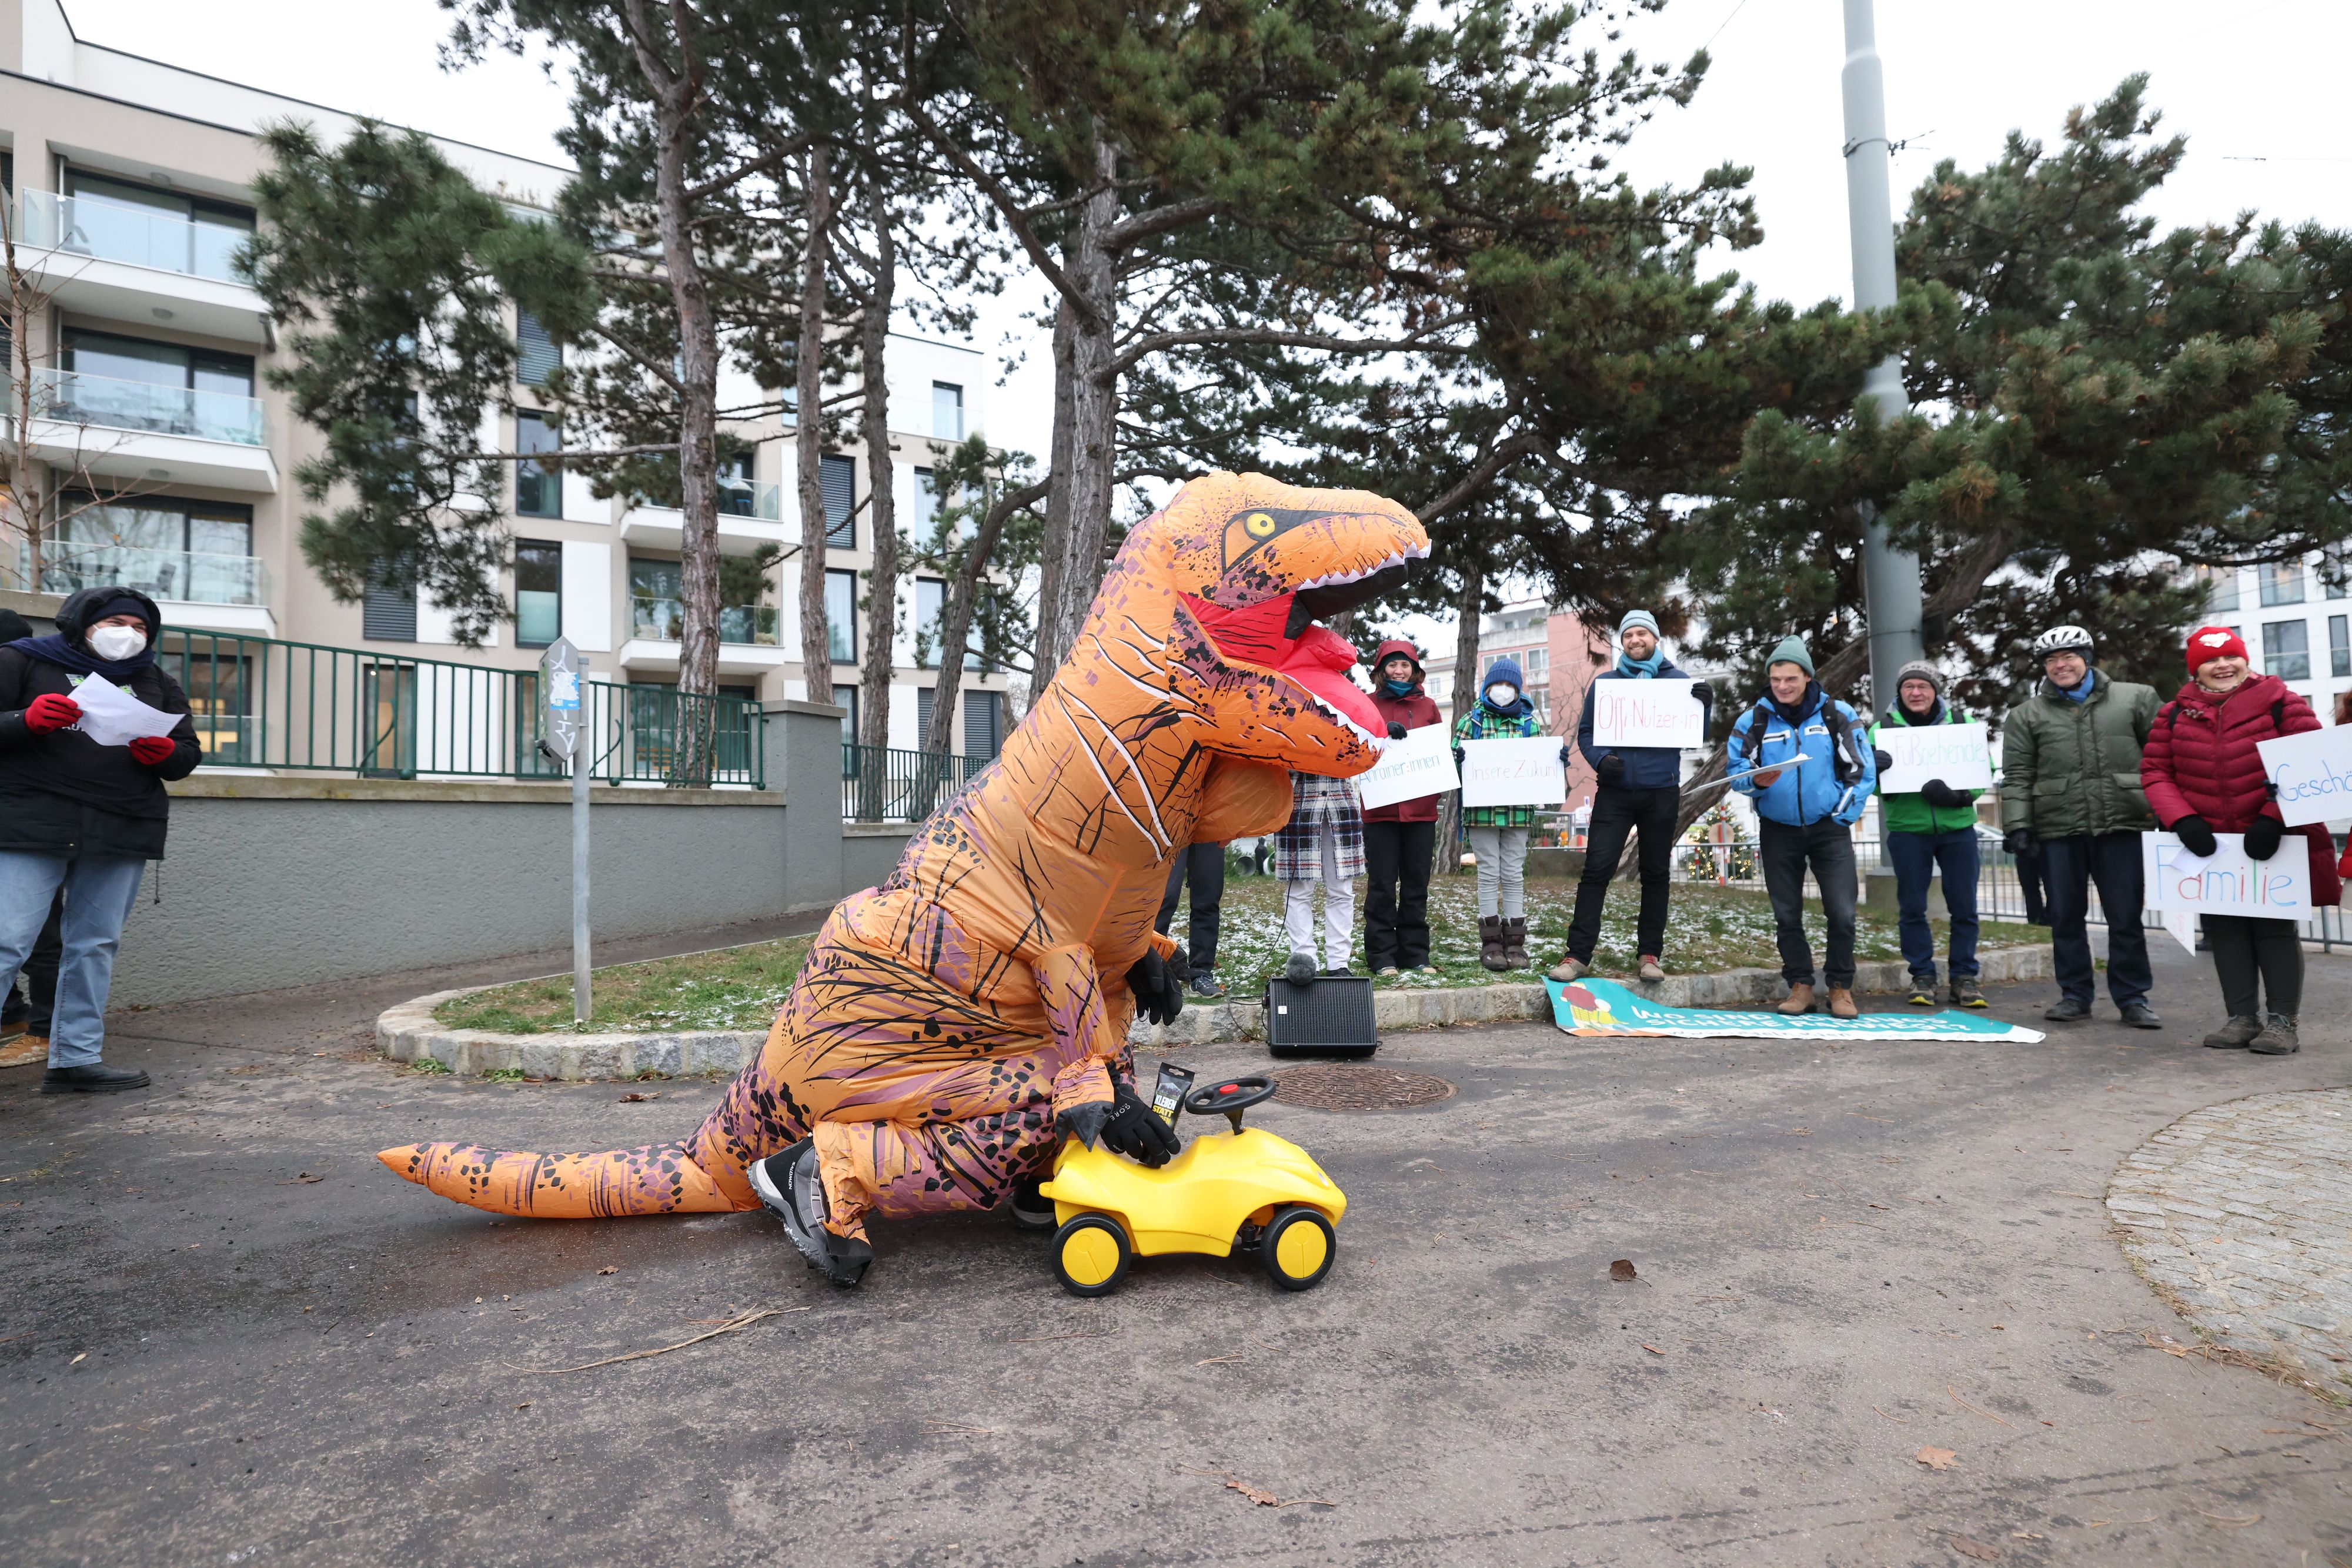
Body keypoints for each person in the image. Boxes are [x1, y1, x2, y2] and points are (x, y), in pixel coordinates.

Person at [0, 587, 202, 1092]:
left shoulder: (156, 680)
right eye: (116, 622)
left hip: (122, 824)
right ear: (81, 624)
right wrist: (24, 721)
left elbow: (187, 751)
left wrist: (168, 755)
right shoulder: (21, 661)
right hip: (32, 822)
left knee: (93, 945)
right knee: (7, 941)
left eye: (140, 626)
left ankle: (75, 1060)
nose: (128, 634)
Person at [2139, 626, 2338, 1055]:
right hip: (2212, 847)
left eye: (2230, 656)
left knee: (2275, 931)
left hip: (2271, 840)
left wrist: (2273, 820)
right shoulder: (2172, 714)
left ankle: (2283, 1022)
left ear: (2245, 661)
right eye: (2210, 661)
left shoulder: (2283, 703)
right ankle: (2241, 1017)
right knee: (2226, 931)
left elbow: (2310, 764)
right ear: (2196, 669)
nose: (2222, 666)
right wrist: (2183, 821)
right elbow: (2156, 772)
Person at [2000, 624, 2161, 1028]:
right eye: (2052, 660)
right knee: (2065, 917)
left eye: (2068, 656)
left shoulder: (2136, 698)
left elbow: (2162, 756)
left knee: (2125, 916)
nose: (2060, 665)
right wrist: (2018, 825)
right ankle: (2075, 994)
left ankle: (2133, 997)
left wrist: (2170, 812)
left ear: (2086, 659)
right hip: (2058, 828)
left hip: (2122, 822)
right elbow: (2018, 774)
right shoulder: (2025, 715)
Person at [1552, 610, 1712, 984]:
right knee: (1596, 871)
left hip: (1661, 791)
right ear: (1621, 643)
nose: (1635, 640)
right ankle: (1577, 955)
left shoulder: (1678, 682)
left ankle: (1649, 955)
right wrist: (1600, 761)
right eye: (1628, 636)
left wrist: (1704, 706)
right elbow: (1587, 734)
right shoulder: (1606, 684)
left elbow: (1694, 736)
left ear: (1655, 639)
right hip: (1615, 793)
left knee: (1655, 874)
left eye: (1642, 633)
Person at [1726, 637, 1878, 1018]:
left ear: (1808, 677)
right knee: (1787, 914)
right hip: (1778, 830)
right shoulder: (1754, 719)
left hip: (1830, 828)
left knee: (1842, 911)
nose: (1782, 686)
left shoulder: (1837, 714)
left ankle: (1841, 987)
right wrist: (1754, 783)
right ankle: (1801, 985)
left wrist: (1842, 814)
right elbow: (1736, 772)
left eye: (1790, 678)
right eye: (1776, 678)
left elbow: (1861, 771)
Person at [1872, 659, 1987, 1008]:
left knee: (1964, 906)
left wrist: (1958, 798)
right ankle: (1922, 975)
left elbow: (1985, 771)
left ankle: (1964, 977)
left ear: (1935, 691)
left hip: (1958, 829)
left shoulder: (1962, 725)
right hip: (1909, 830)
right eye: (1909, 686)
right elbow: (1861, 775)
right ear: (1900, 692)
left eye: (1923, 686)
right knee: (1912, 907)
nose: (1916, 692)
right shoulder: (1880, 730)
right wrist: (1879, 778)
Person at [1452, 656, 1573, 971]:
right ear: (1486, 687)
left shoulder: (1529, 723)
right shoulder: (1472, 721)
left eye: (1509, 685)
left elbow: (1541, 765)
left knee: (1514, 874)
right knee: (1489, 873)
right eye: (1497, 684)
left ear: (1518, 689)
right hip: (1481, 813)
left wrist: (1556, 759)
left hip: (1518, 813)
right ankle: (1491, 942)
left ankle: (1516, 943)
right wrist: (1458, 757)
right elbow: (1452, 763)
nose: (1502, 690)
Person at [0, 607, 63, 1069]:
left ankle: (45, 1030)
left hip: (25, 824)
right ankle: (14, 1016)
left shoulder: (32, 687)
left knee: (38, 931)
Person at [1363, 639, 1442, 978]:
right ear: (1381, 670)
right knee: (1382, 883)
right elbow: (1357, 746)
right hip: (1380, 810)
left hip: (1421, 811)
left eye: (1405, 665)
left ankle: (1415, 954)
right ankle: (1382, 955)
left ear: (1415, 669)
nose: (1399, 670)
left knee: (1416, 883)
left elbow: (1438, 751)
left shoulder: (1429, 707)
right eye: (1392, 665)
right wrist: (1379, 733)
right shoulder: (1365, 704)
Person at [1276, 771, 1364, 982]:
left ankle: (1339, 963)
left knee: (1342, 891)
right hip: (1298, 801)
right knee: (1298, 891)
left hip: (1341, 801)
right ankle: (1303, 960)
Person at [1154, 841, 1227, 998]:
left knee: (1208, 896)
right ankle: (1150, 972)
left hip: (1210, 822)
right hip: (1173, 821)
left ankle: (1200, 975)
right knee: (1164, 897)